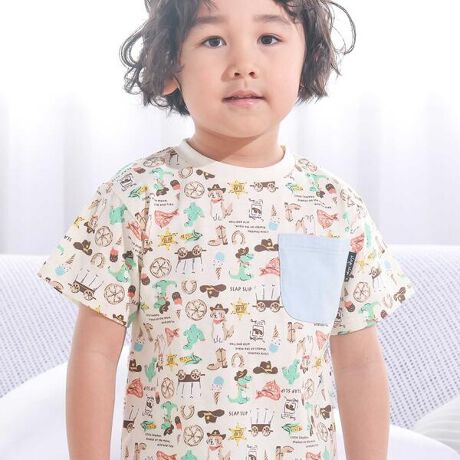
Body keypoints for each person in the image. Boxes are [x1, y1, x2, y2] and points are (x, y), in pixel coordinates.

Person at [36, 0, 416, 458]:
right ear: (169, 66)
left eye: (268, 38)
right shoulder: (134, 197)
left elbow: (359, 365)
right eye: (213, 40)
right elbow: (95, 356)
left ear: (309, 60)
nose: (243, 65)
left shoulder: (335, 207)